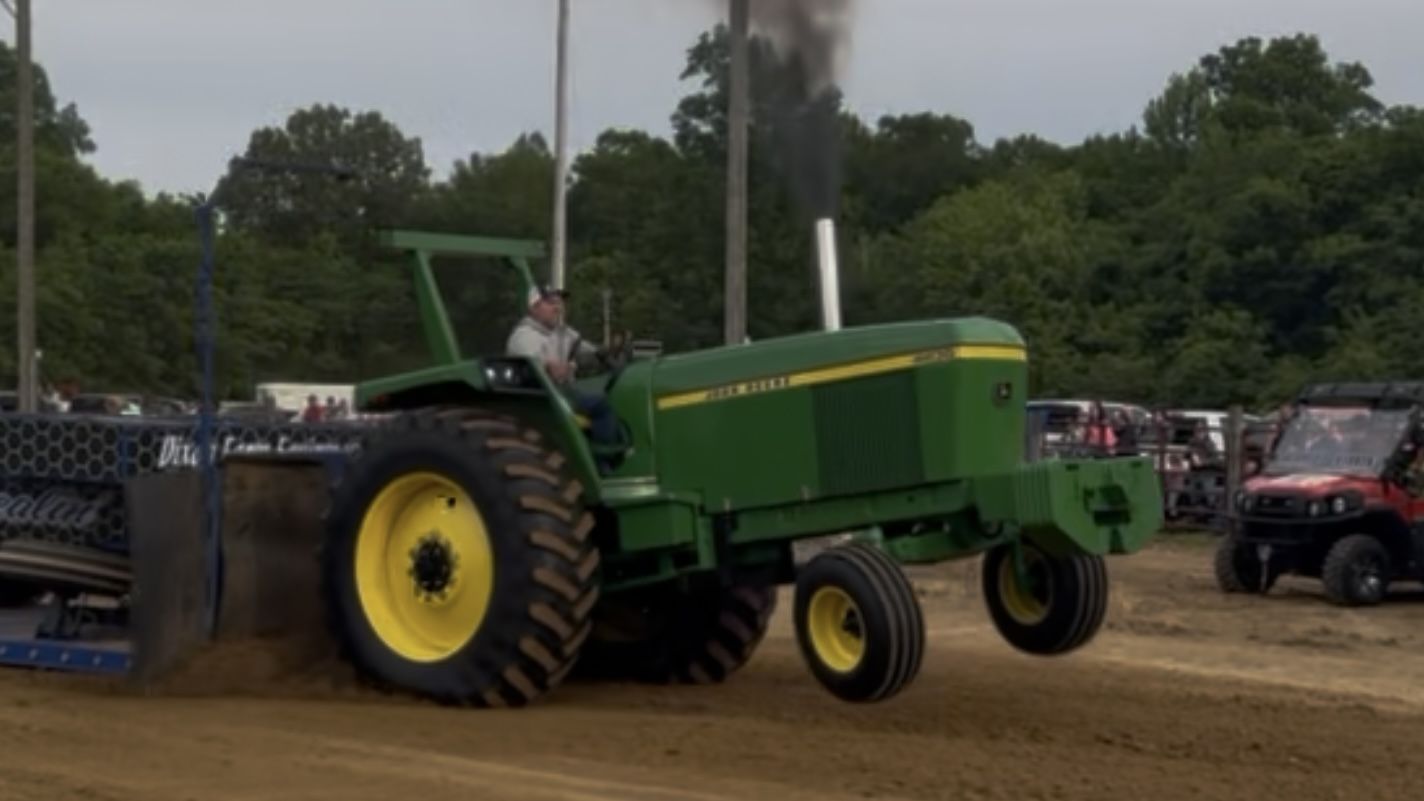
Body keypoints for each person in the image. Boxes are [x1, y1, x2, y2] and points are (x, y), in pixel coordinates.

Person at [506, 284, 620, 471]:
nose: (557, 308)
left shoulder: (562, 332)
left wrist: (604, 353)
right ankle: (602, 462)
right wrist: (550, 367)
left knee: (601, 397)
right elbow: (536, 368)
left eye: (559, 303)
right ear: (534, 308)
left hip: (561, 392)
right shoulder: (524, 337)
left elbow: (583, 348)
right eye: (551, 303)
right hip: (541, 398)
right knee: (601, 406)